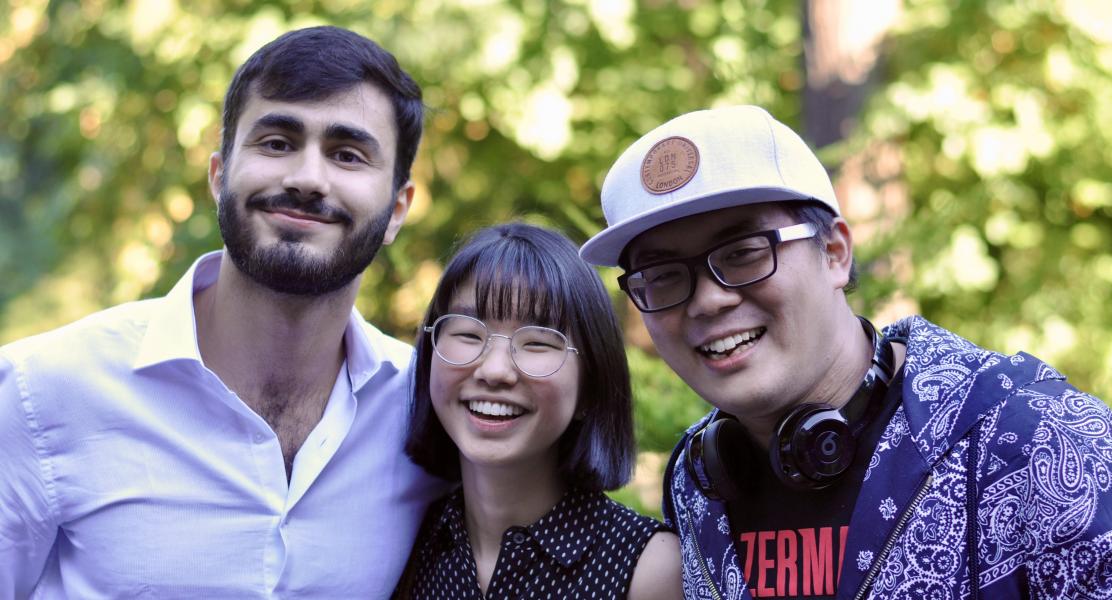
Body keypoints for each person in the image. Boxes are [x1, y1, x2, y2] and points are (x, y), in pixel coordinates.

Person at [579, 105, 1112, 599]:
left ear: (836, 253)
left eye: (743, 252)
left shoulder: (1037, 434)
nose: (707, 302)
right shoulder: (697, 481)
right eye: (662, 277)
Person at [0, 26, 447, 598]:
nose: (308, 179)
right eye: (277, 142)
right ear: (218, 177)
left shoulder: (424, 412)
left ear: (397, 210)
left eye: (347, 154)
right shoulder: (46, 392)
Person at [398, 222, 683, 599]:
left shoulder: (648, 567)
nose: (494, 370)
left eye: (536, 343)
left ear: (590, 386)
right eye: (469, 334)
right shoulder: (401, 539)